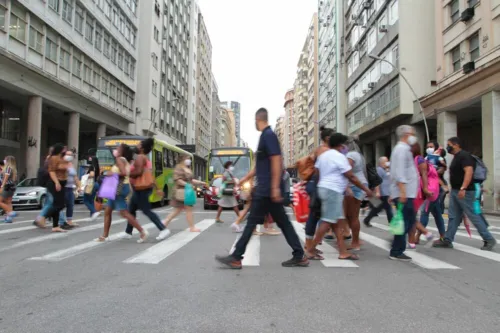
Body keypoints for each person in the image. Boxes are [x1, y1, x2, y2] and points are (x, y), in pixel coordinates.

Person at [216, 108, 308, 269]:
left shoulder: (269, 135)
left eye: (255, 120)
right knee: (281, 223)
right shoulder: (265, 137)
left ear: (259, 119)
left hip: (267, 190)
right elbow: (260, 166)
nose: (254, 123)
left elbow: (276, 160)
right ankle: (299, 254)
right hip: (266, 189)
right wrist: (244, 179)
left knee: (253, 222)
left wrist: (274, 188)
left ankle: (236, 257)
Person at [305, 133, 372, 261]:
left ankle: (343, 251)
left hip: (324, 189)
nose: (346, 147)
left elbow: (317, 173)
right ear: (341, 145)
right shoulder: (340, 157)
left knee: (336, 222)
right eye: (345, 144)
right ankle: (310, 250)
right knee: (327, 221)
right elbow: (351, 176)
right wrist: (365, 189)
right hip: (333, 191)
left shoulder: (323, 156)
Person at [433, 137, 496, 250]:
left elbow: (469, 172)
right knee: (454, 216)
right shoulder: (457, 157)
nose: (448, 147)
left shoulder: (464, 156)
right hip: (456, 191)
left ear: (456, 145)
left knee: (473, 215)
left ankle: (489, 239)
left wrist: (463, 188)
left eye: (449, 144)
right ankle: (448, 239)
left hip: (465, 192)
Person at [95, 144, 148, 243]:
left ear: (122, 151)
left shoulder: (120, 159)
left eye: (118, 149)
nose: (116, 150)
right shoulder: (124, 160)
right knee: (108, 211)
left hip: (119, 188)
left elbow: (124, 173)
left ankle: (142, 231)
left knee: (124, 212)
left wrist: (111, 173)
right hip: (119, 187)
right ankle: (105, 236)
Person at [125, 138, 170, 241]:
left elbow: (139, 172)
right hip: (140, 188)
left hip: (142, 188)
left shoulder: (140, 157)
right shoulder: (145, 159)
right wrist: (157, 188)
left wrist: (125, 173)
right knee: (131, 209)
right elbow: (150, 176)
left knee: (146, 210)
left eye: (139, 144)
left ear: (141, 147)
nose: (137, 145)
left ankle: (163, 229)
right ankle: (128, 232)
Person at [389, 125, 419, 261]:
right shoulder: (401, 149)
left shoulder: (403, 149)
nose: (414, 137)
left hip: (406, 192)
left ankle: (396, 246)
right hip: (404, 193)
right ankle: (396, 249)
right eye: (413, 134)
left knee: (408, 220)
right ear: (406, 134)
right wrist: (402, 192)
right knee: (407, 220)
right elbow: (399, 172)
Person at [304, 126, 334, 251]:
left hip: (317, 184)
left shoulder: (320, 150)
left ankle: (311, 243)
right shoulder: (323, 150)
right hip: (318, 184)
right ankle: (309, 245)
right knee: (315, 215)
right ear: (328, 138)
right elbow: (320, 170)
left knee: (319, 215)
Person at [161, 154, 207, 232]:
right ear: (183, 159)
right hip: (181, 192)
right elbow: (177, 180)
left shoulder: (187, 168)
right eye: (187, 158)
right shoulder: (179, 168)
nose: (189, 160)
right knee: (185, 209)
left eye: (189, 159)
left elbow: (191, 180)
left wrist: (201, 182)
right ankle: (192, 227)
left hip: (187, 192)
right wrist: (187, 185)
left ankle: (164, 223)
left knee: (178, 210)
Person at [407, 143, 435, 248]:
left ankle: (426, 233)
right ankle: (412, 241)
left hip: (417, 192)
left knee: (410, 216)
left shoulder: (420, 160)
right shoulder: (412, 159)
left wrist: (425, 189)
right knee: (411, 216)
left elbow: (424, 175)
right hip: (412, 191)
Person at [36, 144, 69, 232]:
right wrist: (57, 182)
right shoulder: (54, 158)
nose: (65, 151)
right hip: (55, 183)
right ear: (60, 150)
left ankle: (55, 226)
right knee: (60, 205)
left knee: (57, 205)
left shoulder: (62, 159)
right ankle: (43, 217)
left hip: (62, 183)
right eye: (64, 149)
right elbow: (52, 171)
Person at [343, 136, 368, 251]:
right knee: (351, 216)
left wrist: (347, 187)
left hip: (354, 186)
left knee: (352, 216)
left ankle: (355, 242)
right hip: (359, 185)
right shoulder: (359, 155)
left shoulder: (351, 155)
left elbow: (348, 172)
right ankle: (356, 240)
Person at [363, 156, 393, 226]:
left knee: (378, 208)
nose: (387, 162)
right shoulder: (379, 170)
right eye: (386, 161)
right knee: (387, 209)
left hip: (385, 193)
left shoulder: (385, 170)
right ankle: (392, 223)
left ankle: (366, 220)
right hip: (382, 193)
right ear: (382, 162)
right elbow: (376, 182)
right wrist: (377, 192)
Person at [82, 155, 101, 221]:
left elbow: (92, 175)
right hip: (96, 184)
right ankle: (92, 215)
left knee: (85, 200)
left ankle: (94, 212)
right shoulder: (97, 167)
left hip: (90, 184)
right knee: (91, 200)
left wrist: (85, 176)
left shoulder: (92, 167)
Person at [0, 156, 18, 223]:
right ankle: (9, 218)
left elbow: (6, 178)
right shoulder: (13, 168)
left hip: (7, 187)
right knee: (8, 202)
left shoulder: (8, 168)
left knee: (0, 201)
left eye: (5, 159)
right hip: (12, 187)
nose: (4, 160)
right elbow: (14, 179)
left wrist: (2, 186)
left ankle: (11, 212)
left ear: (8, 160)